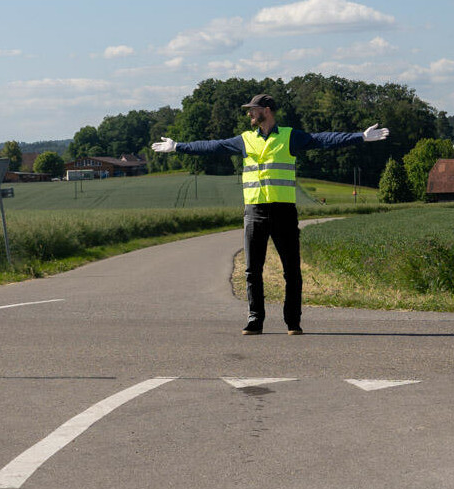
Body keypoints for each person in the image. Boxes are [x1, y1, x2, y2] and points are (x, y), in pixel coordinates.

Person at [152, 93, 389, 336]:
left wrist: (360, 137)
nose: (249, 114)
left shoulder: (289, 136)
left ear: (266, 110)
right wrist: (178, 147)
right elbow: (213, 146)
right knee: (252, 270)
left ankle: (293, 321)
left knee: (291, 270)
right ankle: (255, 318)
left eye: (253, 110)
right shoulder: (244, 140)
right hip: (254, 211)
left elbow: (323, 140)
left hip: (284, 211)